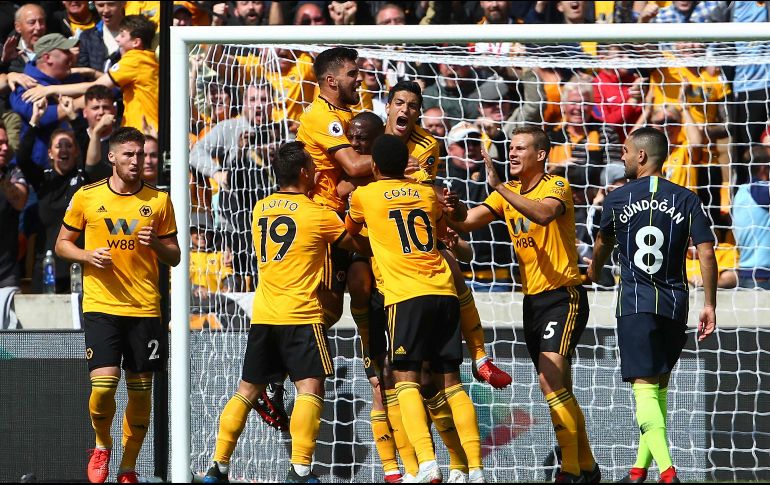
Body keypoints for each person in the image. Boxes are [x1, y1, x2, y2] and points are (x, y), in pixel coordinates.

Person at [201, 141, 370, 484]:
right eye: (313, 167)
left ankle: (217, 466)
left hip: (264, 315)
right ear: (306, 172)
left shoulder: (261, 209)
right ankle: (300, 470)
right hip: (302, 315)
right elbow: (355, 244)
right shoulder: (318, 214)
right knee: (310, 389)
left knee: (246, 391)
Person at [446, 126, 600, 483]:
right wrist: (452, 211)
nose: (512, 154)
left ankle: (571, 471)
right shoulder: (507, 195)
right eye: (511, 148)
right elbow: (467, 222)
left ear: (541, 155)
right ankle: (588, 466)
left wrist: (498, 186)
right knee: (559, 387)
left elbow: (544, 215)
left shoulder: (556, 185)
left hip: (564, 296)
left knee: (550, 381)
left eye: (520, 149)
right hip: (532, 301)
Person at [346, 134, 485, 484]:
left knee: (404, 381)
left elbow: (351, 232)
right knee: (452, 384)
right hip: (444, 291)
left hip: (406, 296)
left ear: (374, 166)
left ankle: (426, 462)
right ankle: (474, 469)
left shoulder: (364, 195)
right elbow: (444, 224)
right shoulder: (426, 194)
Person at [587, 127, 717, 484]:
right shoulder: (688, 199)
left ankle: (668, 472)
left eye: (626, 152)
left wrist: (593, 271)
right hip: (676, 305)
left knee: (643, 391)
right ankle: (637, 471)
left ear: (641, 156)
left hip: (635, 304)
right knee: (658, 390)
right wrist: (710, 304)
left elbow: (601, 242)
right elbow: (706, 250)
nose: (623, 157)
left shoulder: (617, 198)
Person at [55, 127, 180, 484]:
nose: (137, 161)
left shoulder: (158, 201)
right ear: (112, 157)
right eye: (129, 154)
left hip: (144, 310)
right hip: (102, 305)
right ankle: (101, 444)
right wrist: (86, 256)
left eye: (141, 155)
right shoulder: (87, 197)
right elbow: (62, 244)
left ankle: (128, 467)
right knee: (104, 387)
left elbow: (174, 256)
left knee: (141, 396)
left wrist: (155, 243)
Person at [295, 46, 373, 323]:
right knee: (323, 311)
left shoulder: (346, 116)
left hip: (346, 216)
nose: (359, 79)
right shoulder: (322, 116)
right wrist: (394, 157)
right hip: (324, 217)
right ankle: (303, 365)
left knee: (361, 292)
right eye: (352, 73)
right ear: (331, 81)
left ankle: (373, 364)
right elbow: (353, 165)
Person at [23, 14, 159, 133]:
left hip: (143, 131)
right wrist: (90, 72)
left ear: (136, 42)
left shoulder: (135, 59)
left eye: (122, 35)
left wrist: (49, 90)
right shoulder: (147, 59)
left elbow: (96, 87)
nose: (117, 39)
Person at [18, 97, 84, 293]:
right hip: (46, 269)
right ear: (50, 153)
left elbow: (89, 148)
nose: (64, 150)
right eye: (59, 146)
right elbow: (22, 157)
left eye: (69, 146)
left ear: (76, 152)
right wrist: (35, 120)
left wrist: (74, 117)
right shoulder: (42, 180)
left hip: (78, 270)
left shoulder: (84, 178)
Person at [732, 157, 770, 290]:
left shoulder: (741, 191)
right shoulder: (762, 191)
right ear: (763, 168)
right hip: (763, 277)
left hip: (746, 273)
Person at [0, 120, 29, 289]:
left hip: (6, 274)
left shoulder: (12, 172)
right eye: (0, 144)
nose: (5, 148)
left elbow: (20, 201)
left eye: (6, 143)